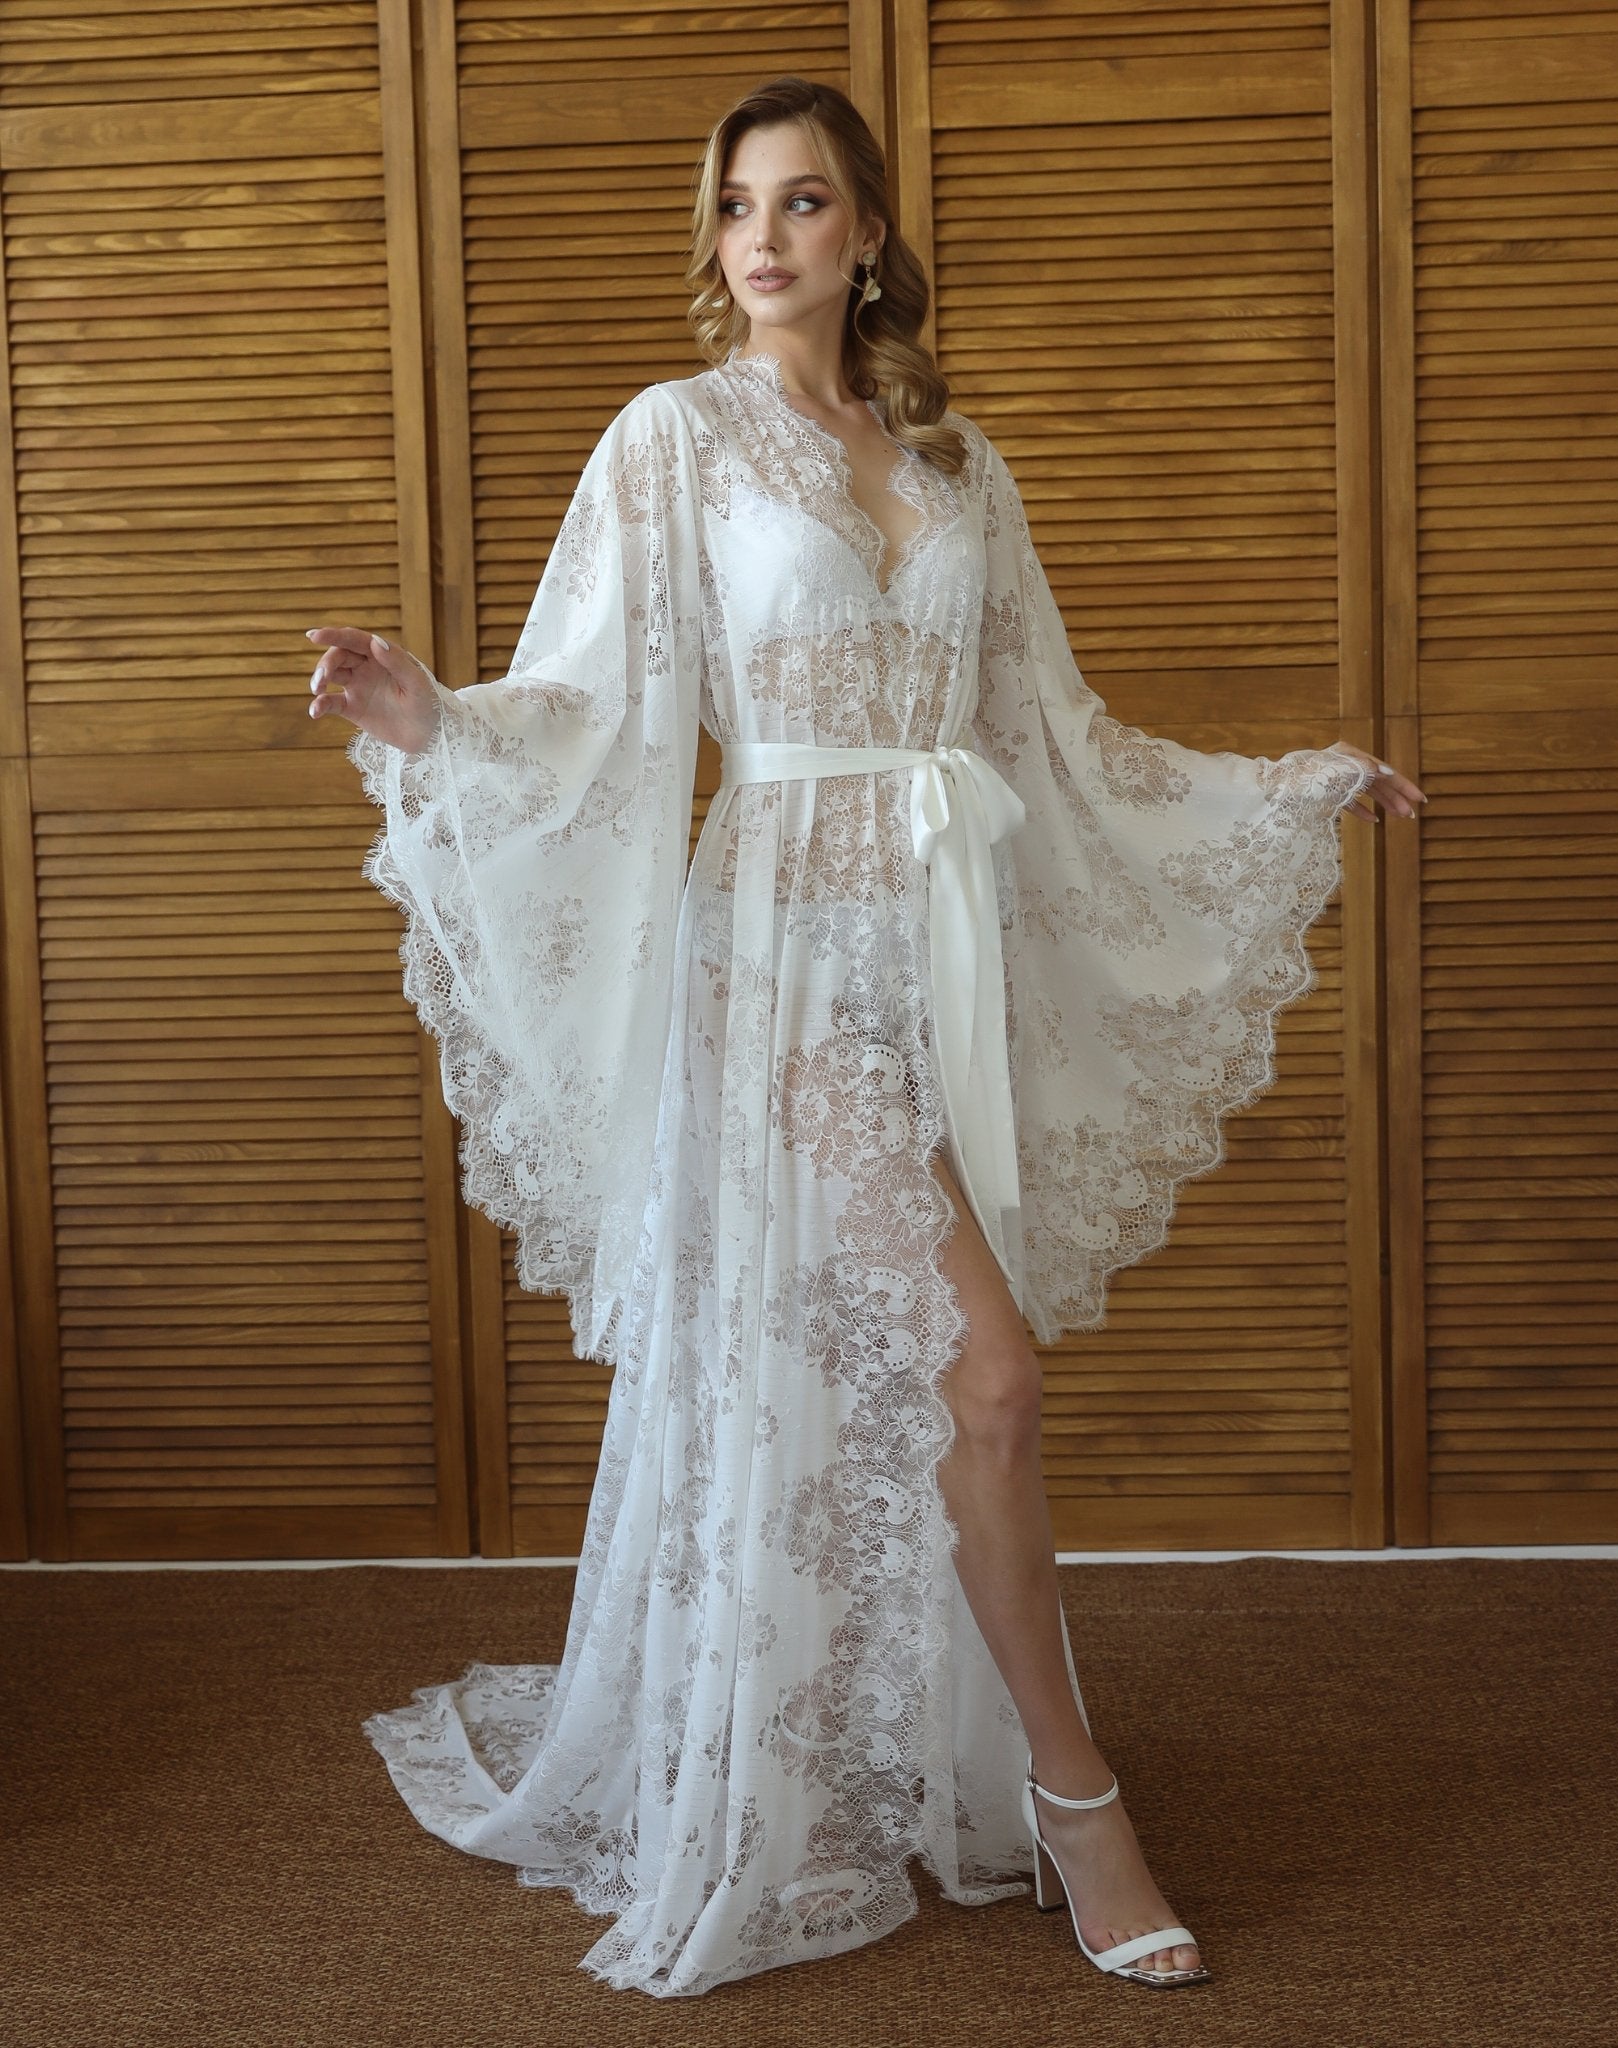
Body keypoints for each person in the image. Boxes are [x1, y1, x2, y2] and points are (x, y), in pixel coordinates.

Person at [305, 76, 1424, 2000]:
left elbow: (1048, 735)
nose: (764, 238)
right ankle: (1081, 1805)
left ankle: (904, 1748)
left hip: (942, 951)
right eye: (737, 203)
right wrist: (433, 718)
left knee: (918, 1393)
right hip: (780, 964)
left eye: (805, 202)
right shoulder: (672, 440)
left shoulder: (956, 461)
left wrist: (1279, 789)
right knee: (985, 1379)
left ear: (867, 237)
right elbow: (584, 703)